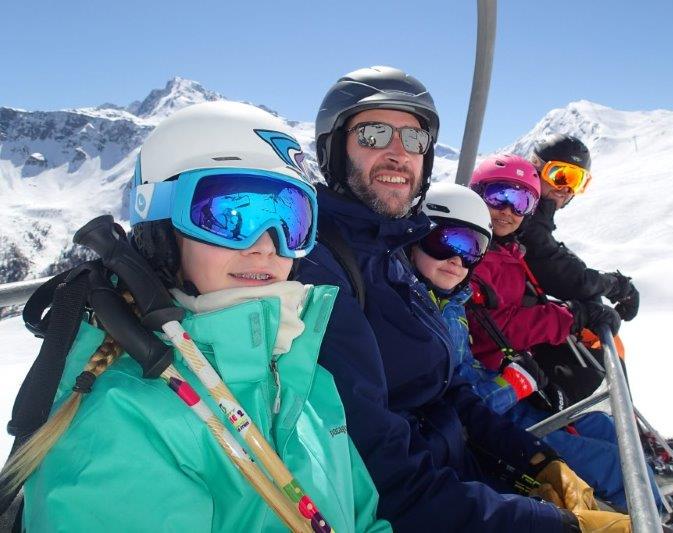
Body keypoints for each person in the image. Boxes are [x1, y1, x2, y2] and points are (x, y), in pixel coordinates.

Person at [1, 101, 389, 533]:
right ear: (162, 233)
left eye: (290, 220)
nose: (266, 245)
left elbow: (363, 517)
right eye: (230, 216)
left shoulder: (303, 373)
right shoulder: (125, 423)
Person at [296, 65, 631, 532]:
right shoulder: (320, 266)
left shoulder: (391, 256)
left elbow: (448, 391)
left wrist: (535, 462)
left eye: (414, 140)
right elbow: (383, 472)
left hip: (461, 477)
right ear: (333, 146)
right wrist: (546, 524)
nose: (398, 153)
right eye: (374, 134)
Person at [413, 181, 654, 512]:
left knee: (602, 425)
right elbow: (453, 406)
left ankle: (653, 502)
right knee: (610, 462)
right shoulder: (419, 314)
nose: (457, 260)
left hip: (504, 406)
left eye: (471, 250)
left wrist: (517, 375)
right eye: (445, 241)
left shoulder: (453, 300)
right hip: (490, 428)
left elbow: (468, 371)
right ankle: (651, 518)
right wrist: (512, 384)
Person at [518, 134, 640, 322]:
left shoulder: (534, 216)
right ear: (536, 169)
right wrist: (617, 285)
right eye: (559, 175)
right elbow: (569, 280)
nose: (566, 188)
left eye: (576, 180)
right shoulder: (519, 215)